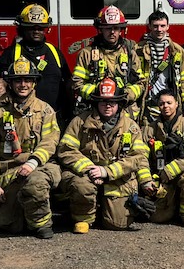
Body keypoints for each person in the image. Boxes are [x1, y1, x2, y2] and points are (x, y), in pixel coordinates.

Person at [0, 57, 62, 239]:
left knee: (36, 184)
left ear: (34, 82)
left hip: (41, 166)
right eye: (18, 80)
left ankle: (42, 225)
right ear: (10, 83)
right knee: (8, 224)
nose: (23, 84)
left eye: (28, 80)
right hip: (10, 171)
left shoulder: (45, 110)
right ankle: (24, 213)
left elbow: (50, 141)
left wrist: (33, 162)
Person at [57, 77, 147, 233]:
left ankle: (102, 208)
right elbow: (66, 149)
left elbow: (137, 157)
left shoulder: (131, 126)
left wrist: (107, 172)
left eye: (112, 102)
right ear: (96, 102)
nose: (108, 105)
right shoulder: (80, 122)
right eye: (103, 101)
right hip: (86, 174)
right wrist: (89, 169)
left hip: (115, 177)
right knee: (82, 186)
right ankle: (83, 217)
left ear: (119, 103)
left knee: (117, 224)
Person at [0, 4, 72, 123]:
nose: (36, 31)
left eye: (40, 28)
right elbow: (0, 87)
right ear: (23, 28)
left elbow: (68, 84)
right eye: (32, 28)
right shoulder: (11, 53)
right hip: (21, 120)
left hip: (54, 119)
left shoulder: (54, 52)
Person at [138, 91, 184, 228]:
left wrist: (171, 169)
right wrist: (146, 180)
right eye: (162, 103)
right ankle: (173, 206)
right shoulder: (150, 129)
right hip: (160, 175)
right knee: (158, 217)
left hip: (183, 170)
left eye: (169, 103)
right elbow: (141, 155)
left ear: (176, 104)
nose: (165, 106)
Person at [131, 10, 184, 121]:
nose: (159, 30)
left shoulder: (177, 51)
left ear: (168, 27)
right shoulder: (138, 51)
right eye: (155, 26)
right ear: (149, 27)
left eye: (162, 26)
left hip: (170, 106)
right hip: (146, 105)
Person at [71, 5, 138, 112]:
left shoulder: (130, 53)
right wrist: (97, 92)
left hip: (124, 111)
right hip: (95, 110)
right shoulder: (87, 54)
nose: (112, 32)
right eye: (108, 28)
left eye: (116, 28)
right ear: (100, 29)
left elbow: (141, 83)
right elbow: (77, 83)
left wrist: (126, 95)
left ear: (121, 29)